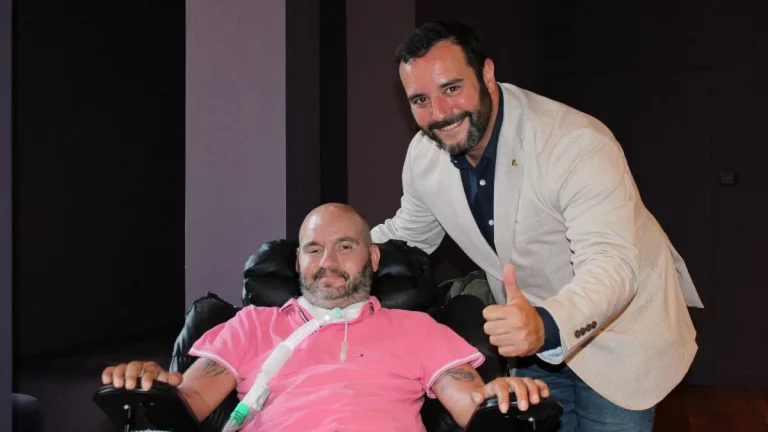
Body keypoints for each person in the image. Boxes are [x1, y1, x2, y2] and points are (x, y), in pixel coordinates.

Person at [370, 21, 704, 431]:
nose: (438, 113)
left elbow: (611, 265)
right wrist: (333, 251)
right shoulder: (425, 156)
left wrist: (545, 325)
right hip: (528, 343)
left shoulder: (575, 142)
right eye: (420, 99)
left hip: (617, 332)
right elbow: (411, 235)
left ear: (488, 74)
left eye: (452, 88)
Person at [102, 203, 550, 431]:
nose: (327, 260)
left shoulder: (417, 328)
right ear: (297, 262)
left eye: (346, 247)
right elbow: (189, 399)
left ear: (373, 257)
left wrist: (505, 393)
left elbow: (473, 403)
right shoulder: (251, 324)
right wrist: (150, 385)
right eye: (314, 249)